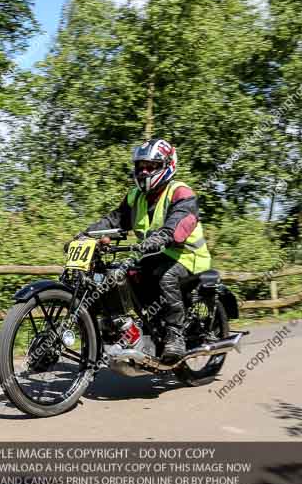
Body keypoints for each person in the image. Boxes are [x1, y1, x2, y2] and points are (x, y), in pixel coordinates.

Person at [80, 138, 212, 363]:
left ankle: (175, 334)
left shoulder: (180, 192)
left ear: (166, 166)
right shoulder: (136, 196)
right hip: (153, 255)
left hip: (188, 257)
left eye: (150, 167)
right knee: (119, 275)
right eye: (140, 167)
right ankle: (135, 328)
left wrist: (163, 236)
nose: (144, 172)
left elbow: (181, 221)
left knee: (166, 277)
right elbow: (114, 220)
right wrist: (84, 236)